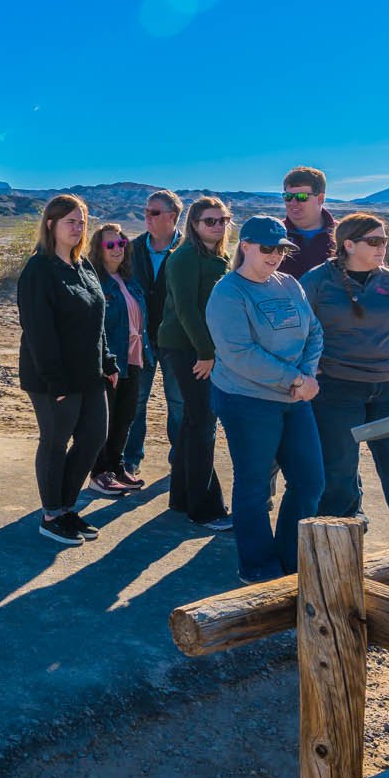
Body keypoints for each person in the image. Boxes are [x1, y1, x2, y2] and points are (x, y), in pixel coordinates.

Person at [302, 213, 389, 543]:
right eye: (374, 241)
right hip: (337, 389)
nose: (382, 248)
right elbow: (299, 329)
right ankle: (337, 543)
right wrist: (310, 368)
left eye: (385, 241)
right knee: (339, 470)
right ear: (348, 245)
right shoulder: (318, 281)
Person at [208, 215, 326, 583]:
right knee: (255, 484)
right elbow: (239, 354)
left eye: (281, 249)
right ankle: (258, 567)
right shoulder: (228, 293)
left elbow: (315, 331)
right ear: (245, 246)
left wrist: (306, 376)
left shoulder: (289, 284)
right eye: (267, 248)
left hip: (295, 396)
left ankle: (290, 560)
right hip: (247, 400)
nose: (275, 256)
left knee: (309, 482)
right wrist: (294, 379)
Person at [18, 194, 119, 546]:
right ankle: (51, 515)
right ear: (51, 225)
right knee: (55, 442)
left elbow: (98, 319)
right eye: (70, 221)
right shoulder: (39, 270)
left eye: (81, 221)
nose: (77, 228)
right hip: (53, 378)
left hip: (89, 373)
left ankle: (66, 506)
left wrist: (108, 362)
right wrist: (55, 380)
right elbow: (38, 331)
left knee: (93, 438)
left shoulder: (84, 266)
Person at [157, 195, 234, 530]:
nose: (217, 226)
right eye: (209, 221)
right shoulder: (184, 257)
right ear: (193, 224)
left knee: (192, 423)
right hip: (187, 348)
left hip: (202, 349)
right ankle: (205, 509)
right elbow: (187, 311)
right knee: (203, 425)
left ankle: (181, 498)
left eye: (222, 220)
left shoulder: (219, 256)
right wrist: (206, 353)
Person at [123, 190, 183, 480]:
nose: (147, 216)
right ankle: (129, 461)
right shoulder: (131, 249)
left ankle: (181, 462)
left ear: (172, 217)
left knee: (178, 404)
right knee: (136, 401)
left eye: (155, 212)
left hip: (177, 341)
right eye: (146, 211)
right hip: (140, 340)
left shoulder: (188, 250)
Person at [87, 222, 147, 496]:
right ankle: (99, 473)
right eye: (110, 245)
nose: (117, 249)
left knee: (125, 417)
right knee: (105, 419)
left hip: (133, 358)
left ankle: (117, 466)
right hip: (109, 361)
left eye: (121, 244)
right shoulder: (94, 281)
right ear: (99, 249)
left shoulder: (129, 279)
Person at [277, 167, 336, 277]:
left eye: (301, 197)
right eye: (288, 196)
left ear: (320, 199)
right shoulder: (275, 234)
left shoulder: (343, 234)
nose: (293, 202)